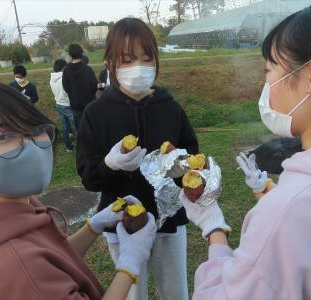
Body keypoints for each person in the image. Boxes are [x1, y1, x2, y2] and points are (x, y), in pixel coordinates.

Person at [180, 1, 311, 299]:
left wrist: (215, 230)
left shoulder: (288, 215)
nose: (266, 84)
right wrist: (270, 191)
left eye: (270, 70)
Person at [0, 82, 157, 300]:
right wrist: (129, 264)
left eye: (33, 128)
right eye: (4, 137)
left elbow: (51, 259)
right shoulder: (16, 269)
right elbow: (30, 271)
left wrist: (94, 225)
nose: (30, 145)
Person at [76, 18, 198, 300]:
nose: (138, 69)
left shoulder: (170, 108)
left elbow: (191, 155)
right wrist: (110, 165)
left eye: (146, 58)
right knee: (133, 293)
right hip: (122, 224)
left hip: (169, 220)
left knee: (176, 291)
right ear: (110, 63)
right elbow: (88, 176)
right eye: (128, 60)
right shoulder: (96, 114)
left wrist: (181, 167)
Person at [63, 44, 98, 129]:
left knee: (80, 129)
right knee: (92, 127)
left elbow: (66, 88)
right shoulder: (88, 69)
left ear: (70, 55)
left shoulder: (66, 70)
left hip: (75, 105)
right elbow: (94, 87)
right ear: (82, 54)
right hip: (89, 104)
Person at [50, 59, 76, 152]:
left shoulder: (52, 77)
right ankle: (81, 144)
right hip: (67, 105)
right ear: (64, 67)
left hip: (58, 104)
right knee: (77, 125)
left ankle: (68, 146)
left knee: (65, 126)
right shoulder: (64, 77)